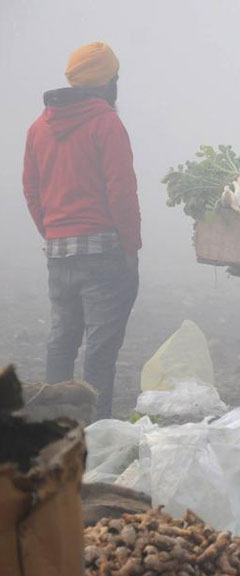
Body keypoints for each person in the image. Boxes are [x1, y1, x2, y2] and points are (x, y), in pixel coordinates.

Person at [22, 42, 141, 420]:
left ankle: (54, 429)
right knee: (100, 352)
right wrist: (130, 246)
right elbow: (121, 190)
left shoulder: (39, 127)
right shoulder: (106, 122)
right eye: (116, 78)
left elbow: (31, 189)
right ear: (106, 83)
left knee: (61, 343)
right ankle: (95, 434)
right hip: (103, 254)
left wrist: (53, 233)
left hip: (59, 253)